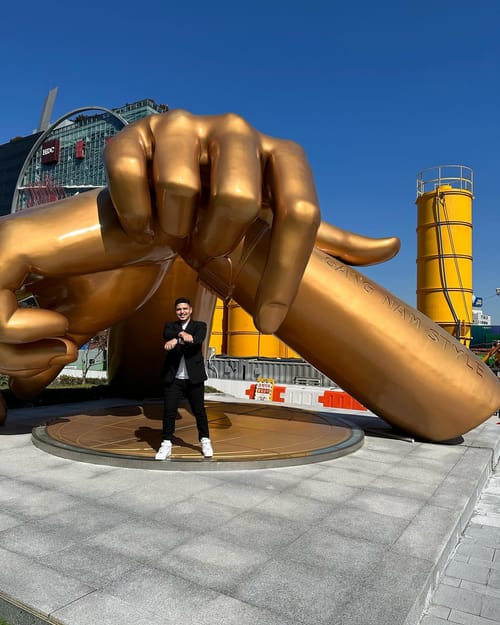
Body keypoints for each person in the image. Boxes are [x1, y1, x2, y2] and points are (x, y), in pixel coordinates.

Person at [156, 297, 213, 459]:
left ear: (191, 310)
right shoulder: (170, 326)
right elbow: (166, 334)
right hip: (174, 378)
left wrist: (176, 340)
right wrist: (180, 334)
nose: (182, 312)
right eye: (179, 309)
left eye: (185, 309)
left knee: (199, 411)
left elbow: (195, 341)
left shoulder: (200, 326)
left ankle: (205, 440)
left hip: (193, 378)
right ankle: (166, 444)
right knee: (169, 411)